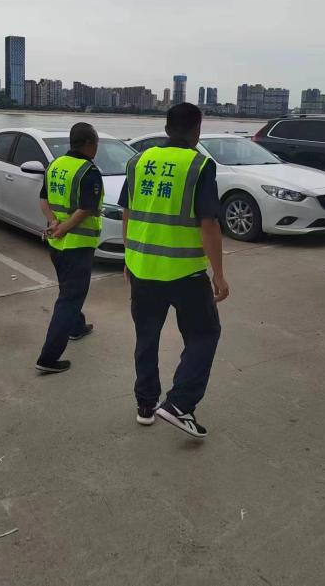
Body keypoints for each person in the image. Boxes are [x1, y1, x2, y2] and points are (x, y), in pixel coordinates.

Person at [118, 103, 229, 439]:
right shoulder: (199, 165)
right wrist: (219, 274)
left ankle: (146, 405)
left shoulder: (138, 161)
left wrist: (129, 257)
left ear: (166, 129)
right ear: (197, 130)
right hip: (185, 273)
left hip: (143, 268)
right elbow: (208, 224)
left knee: (146, 337)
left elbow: (128, 211)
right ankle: (180, 403)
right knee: (204, 335)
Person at [35, 123, 103, 373]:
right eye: (96, 143)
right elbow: (86, 209)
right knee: (70, 298)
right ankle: (48, 358)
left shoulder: (55, 165)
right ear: (89, 143)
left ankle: (76, 327)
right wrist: (63, 227)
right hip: (77, 245)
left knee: (69, 291)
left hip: (57, 244)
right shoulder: (88, 171)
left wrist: (53, 221)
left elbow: (43, 199)